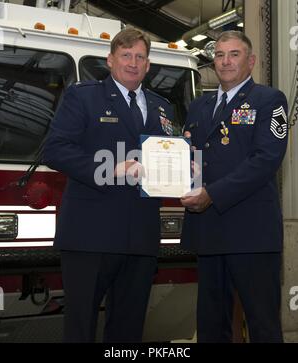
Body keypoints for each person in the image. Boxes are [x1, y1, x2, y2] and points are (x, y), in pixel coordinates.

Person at [43, 27, 173, 343]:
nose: (133, 62)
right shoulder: (83, 96)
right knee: (81, 326)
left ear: (148, 64)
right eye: (125, 55)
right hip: (91, 236)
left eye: (139, 56)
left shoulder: (161, 106)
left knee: (129, 328)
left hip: (141, 236)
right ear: (110, 60)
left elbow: (167, 156)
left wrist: (187, 167)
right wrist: (109, 168)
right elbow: (55, 149)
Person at [180, 30, 288, 343]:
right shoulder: (200, 106)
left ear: (251, 61)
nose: (225, 61)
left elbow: (265, 160)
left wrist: (212, 194)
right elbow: (190, 157)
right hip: (209, 231)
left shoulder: (269, 100)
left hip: (251, 234)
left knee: (263, 325)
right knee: (211, 326)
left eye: (234, 54)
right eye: (219, 55)